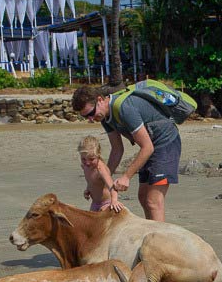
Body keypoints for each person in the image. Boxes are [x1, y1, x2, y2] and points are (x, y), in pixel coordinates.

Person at [72, 85, 181, 222]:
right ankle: (152, 232)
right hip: (151, 146)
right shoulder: (105, 117)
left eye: (91, 113)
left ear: (100, 100)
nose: (91, 119)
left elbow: (147, 147)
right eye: (85, 117)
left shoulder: (124, 109)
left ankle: (159, 241)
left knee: (153, 201)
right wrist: (104, 180)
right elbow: (117, 149)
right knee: (143, 197)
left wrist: (126, 177)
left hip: (166, 143)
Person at [77, 135, 122, 213]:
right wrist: (88, 189)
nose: (87, 163)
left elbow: (112, 187)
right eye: (83, 159)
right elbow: (91, 181)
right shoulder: (85, 166)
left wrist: (114, 201)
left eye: (91, 159)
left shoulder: (100, 169)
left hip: (107, 202)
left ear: (98, 154)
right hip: (95, 203)